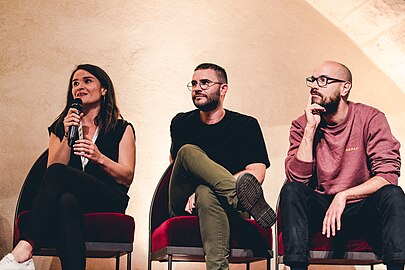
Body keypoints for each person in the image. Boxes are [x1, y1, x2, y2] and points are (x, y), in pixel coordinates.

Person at [0, 64, 136, 270]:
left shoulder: (121, 128)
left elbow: (126, 176)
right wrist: (67, 135)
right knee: (65, 201)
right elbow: (53, 170)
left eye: (87, 81)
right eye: (75, 83)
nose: (79, 86)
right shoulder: (61, 126)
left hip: (107, 197)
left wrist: (99, 158)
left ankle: (25, 248)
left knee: (62, 186)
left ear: (104, 89)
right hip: (74, 199)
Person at [280, 60, 405, 270]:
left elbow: (388, 175)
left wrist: (344, 195)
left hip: (361, 208)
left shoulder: (370, 118)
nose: (314, 86)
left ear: (345, 87)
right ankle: (297, 268)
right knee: (291, 190)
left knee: (393, 194)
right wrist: (310, 129)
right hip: (321, 208)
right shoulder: (302, 124)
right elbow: (297, 179)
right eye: (312, 80)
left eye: (323, 80)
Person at [169, 63, 276, 270]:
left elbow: (257, 173)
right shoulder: (181, 122)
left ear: (223, 89)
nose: (197, 88)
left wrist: (206, 190)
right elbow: (176, 167)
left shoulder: (246, 125)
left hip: (224, 207)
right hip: (184, 203)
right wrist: (195, 193)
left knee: (205, 191)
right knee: (187, 151)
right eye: (194, 83)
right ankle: (238, 197)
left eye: (205, 83)